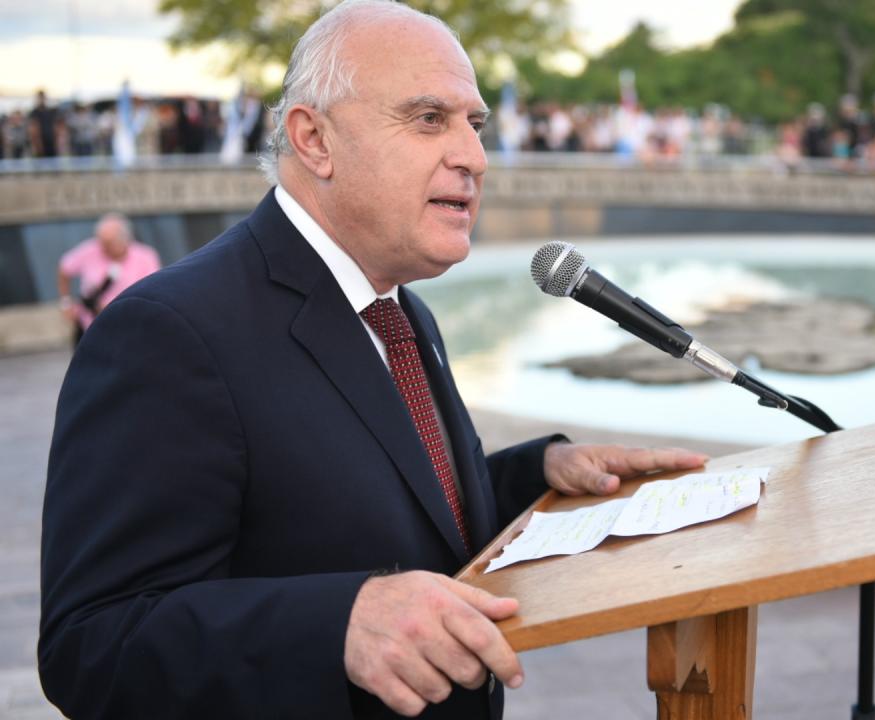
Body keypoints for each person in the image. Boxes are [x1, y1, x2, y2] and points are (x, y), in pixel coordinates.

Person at [38, 2, 708, 719]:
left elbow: (381, 503)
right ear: (314, 139)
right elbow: (93, 644)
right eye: (429, 119)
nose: (474, 157)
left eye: (475, 124)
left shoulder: (399, 308)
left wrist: (534, 475)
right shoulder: (170, 331)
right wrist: (340, 625)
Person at [55, 212, 161, 344]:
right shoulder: (89, 250)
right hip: (91, 327)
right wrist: (66, 303)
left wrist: (114, 307)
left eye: (109, 243)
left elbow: (153, 291)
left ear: (125, 239)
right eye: (101, 242)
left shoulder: (145, 256)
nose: (103, 247)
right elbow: (64, 269)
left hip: (131, 326)